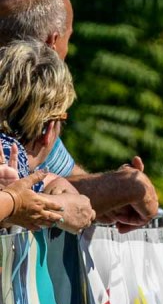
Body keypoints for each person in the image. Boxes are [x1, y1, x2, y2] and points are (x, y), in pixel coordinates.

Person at [0, 0, 159, 229]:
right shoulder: (29, 118)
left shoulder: (26, 117)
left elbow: (49, 178)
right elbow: (26, 190)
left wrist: (109, 192)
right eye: (68, 39)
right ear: (51, 43)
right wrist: (27, 204)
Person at [0, 41, 94, 232]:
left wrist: (54, 184)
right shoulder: (7, 152)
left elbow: (36, 182)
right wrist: (16, 202)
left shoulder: (13, 162)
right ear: (49, 129)